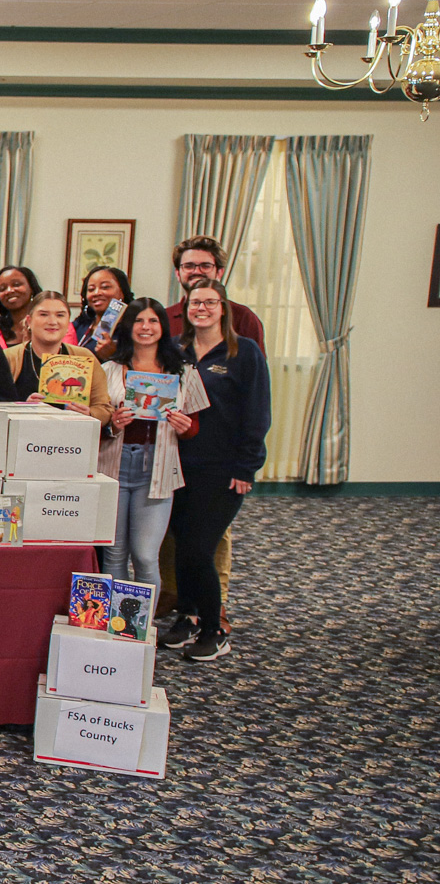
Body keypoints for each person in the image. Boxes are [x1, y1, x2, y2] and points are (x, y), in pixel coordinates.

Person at [162, 280, 270, 662]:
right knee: (181, 543)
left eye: (210, 302)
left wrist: (247, 465)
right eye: (195, 302)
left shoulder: (245, 352)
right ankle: (189, 616)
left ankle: (215, 628)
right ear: (186, 307)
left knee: (198, 549)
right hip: (177, 464)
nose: (202, 308)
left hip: (223, 469)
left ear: (223, 308)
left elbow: (257, 414)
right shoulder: (176, 351)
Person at [99, 297, 208, 586]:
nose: (145, 327)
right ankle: (116, 628)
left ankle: (142, 627)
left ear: (163, 327)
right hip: (114, 467)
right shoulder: (108, 369)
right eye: (138, 320)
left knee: (146, 556)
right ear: (127, 326)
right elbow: (94, 424)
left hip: (156, 470)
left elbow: (194, 427)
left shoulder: (184, 371)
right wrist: (112, 424)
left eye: (152, 321)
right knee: (113, 554)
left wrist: (184, 428)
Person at [5, 290, 114, 426]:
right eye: (43, 314)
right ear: (29, 321)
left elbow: (105, 410)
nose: (52, 321)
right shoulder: (8, 357)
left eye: (60, 315)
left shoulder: (85, 357)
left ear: (68, 322)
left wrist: (89, 413)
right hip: (21, 441)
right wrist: (21, 408)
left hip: (71, 443)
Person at [163, 236, 267, 350]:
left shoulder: (244, 318)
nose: (197, 271)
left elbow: (254, 366)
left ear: (219, 272)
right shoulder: (163, 319)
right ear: (178, 274)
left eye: (205, 266)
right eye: (188, 266)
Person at [73, 265, 132, 354]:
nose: (96, 293)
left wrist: (113, 354)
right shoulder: (79, 325)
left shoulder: (132, 329)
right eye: (91, 289)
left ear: (121, 292)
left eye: (105, 287)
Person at [0, 265, 38, 347]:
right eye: (2, 289)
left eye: (16, 284)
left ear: (32, 288)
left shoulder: (51, 327)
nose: (9, 291)